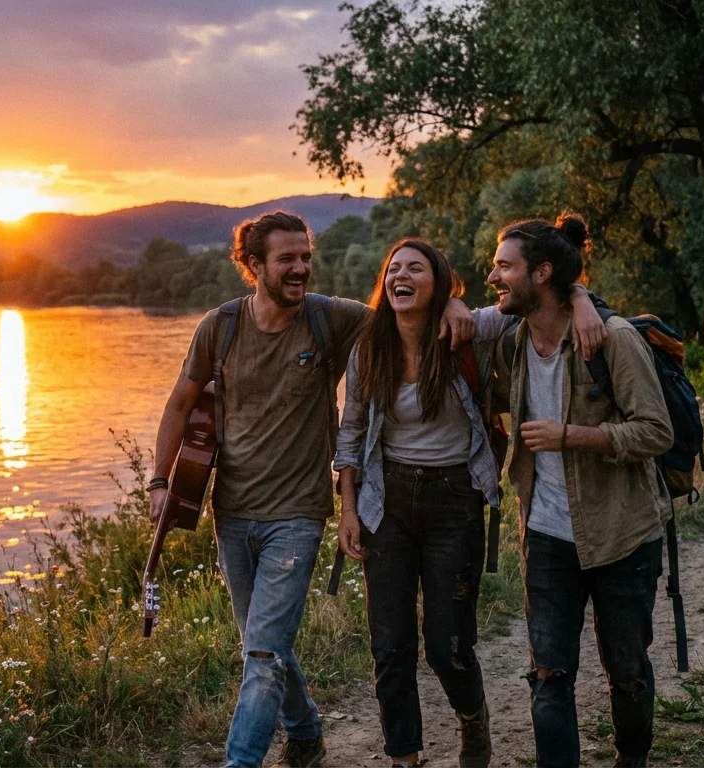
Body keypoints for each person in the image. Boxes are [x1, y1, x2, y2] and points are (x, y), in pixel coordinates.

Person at [149, 211, 475, 768]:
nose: (301, 268)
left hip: (299, 515)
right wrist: (160, 481)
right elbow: (180, 403)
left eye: (306, 257)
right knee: (264, 643)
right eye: (287, 259)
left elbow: (401, 312)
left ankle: (241, 761)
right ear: (254, 265)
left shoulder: (330, 319)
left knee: (262, 651)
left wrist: (452, 303)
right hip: (232, 512)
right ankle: (304, 733)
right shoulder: (219, 326)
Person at [333, 239, 605, 768]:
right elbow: (351, 434)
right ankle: (404, 757)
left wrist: (582, 300)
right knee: (389, 645)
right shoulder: (370, 346)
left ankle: (472, 717)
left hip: (455, 502)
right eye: (394, 269)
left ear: (438, 282)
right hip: (386, 502)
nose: (401, 276)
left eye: (416, 268)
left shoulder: (470, 331)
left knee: (448, 646)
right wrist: (348, 509)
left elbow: (539, 302)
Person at [488, 214, 674, 768]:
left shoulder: (612, 338)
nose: (492, 277)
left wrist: (571, 436)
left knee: (627, 672)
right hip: (546, 537)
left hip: (623, 534)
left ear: (542, 273)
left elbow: (656, 431)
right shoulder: (513, 342)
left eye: (503, 267)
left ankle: (631, 760)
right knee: (548, 675)